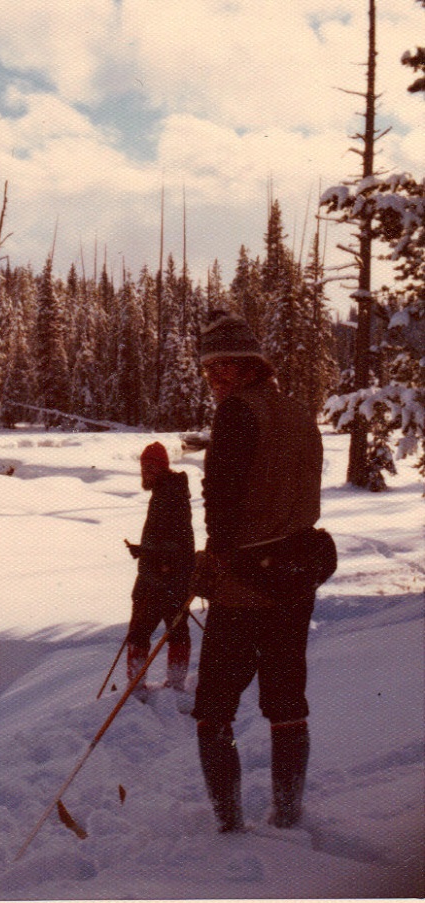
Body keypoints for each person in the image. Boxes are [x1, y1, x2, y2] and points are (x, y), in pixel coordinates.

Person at [191, 310, 324, 833]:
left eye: (224, 366)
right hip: (297, 573)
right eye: (209, 369)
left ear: (250, 366)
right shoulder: (297, 411)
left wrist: (215, 556)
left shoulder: (236, 412)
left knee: (213, 707)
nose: (214, 378)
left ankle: (229, 826)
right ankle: (287, 814)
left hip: (247, 580)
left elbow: (220, 496)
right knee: (287, 700)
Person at [124, 441, 195, 693]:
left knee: (141, 632)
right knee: (176, 630)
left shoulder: (169, 494)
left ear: (162, 468)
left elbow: (176, 540)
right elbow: (168, 538)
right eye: (144, 468)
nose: (146, 473)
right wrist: (143, 550)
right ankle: (174, 686)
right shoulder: (167, 490)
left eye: (151, 468)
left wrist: (151, 555)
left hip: (161, 578)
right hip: (171, 576)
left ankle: (137, 688)